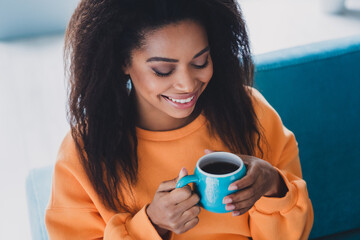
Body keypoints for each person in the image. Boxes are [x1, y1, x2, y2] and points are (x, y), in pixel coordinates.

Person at [45, 0, 314, 239]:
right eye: (163, 70)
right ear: (121, 62)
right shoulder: (84, 152)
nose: (187, 84)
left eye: (200, 62)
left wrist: (274, 185)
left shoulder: (250, 112)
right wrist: (152, 225)